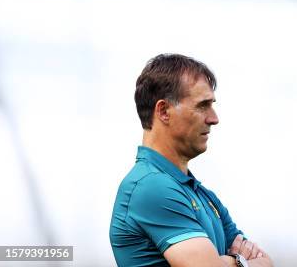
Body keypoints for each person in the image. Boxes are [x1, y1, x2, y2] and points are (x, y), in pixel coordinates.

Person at [109, 53, 273, 267]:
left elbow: (267, 262)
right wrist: (241, 261)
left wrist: (230, 262)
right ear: (164, 111)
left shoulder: (201, 195)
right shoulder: (150, 186)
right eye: (202, 105)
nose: (214, 119)